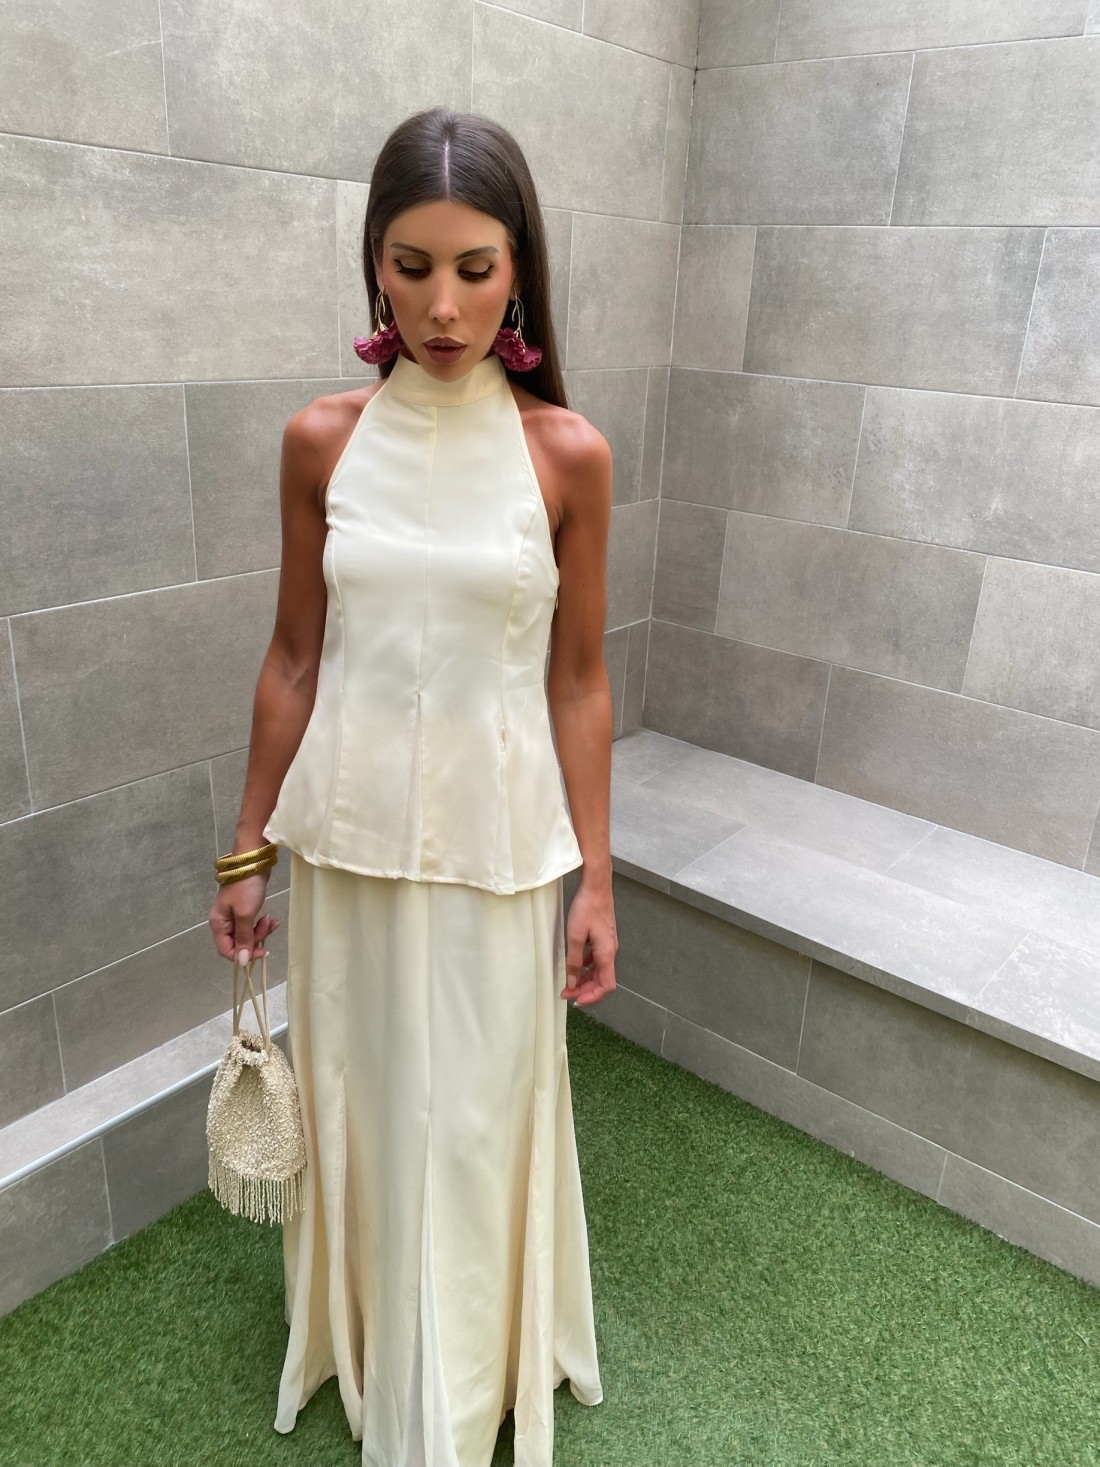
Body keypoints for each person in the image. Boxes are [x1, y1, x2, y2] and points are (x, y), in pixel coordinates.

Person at [207, 105, 618, 1467]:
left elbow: (578, 683)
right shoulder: (320, 441)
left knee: (477, 1116)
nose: (443, 305)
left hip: (503, 855)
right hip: (347, 846)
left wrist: (597, 881)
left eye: (476, 269)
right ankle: (375, 1348)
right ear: (375, 266)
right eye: (413, 265)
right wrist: (247, 849)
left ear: (521, 271)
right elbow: (292, 656)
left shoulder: (567, 454)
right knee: (369, 1108)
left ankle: (470, 1377)